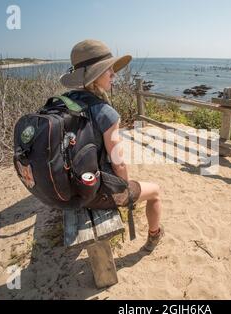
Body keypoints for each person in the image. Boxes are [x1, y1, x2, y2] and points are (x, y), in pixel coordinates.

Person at [60, 39, 164, 252]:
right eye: (109, 71)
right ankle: (154, 236)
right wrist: (125, 189)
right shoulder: (106, 113)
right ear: (95, 76)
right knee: (156, 191)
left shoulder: (64, 102)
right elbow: (119, 164)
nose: (114, 75)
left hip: (69, 189)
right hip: (95, 193)